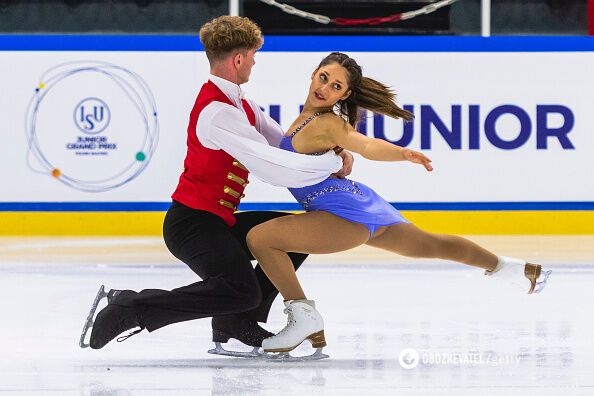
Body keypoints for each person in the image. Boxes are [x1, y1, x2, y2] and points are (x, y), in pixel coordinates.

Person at [245, 52, 552, 354]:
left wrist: (401, 153)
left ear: (345, 94)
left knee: (261, 239)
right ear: (314, 74)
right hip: (361, 204)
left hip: (340, 214)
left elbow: (365, 144)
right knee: (434, 245)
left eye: (336, 86)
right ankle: (510, 268)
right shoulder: (308, 119)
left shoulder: (327, 124)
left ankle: (303, 317)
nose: (325, 88)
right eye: (324, 78)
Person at [81, 17, 354, 354]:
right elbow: (272, 167)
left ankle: (236, 322)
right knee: (240, 290)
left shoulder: (241, 102)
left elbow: (284, 145)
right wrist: (328, 164)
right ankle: (131, 307)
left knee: (298, 235)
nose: (255, 61)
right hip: (191, 224)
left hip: (216, 221)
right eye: (253, 54)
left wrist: (333, 150)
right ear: (238, 59)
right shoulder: (216, 111)